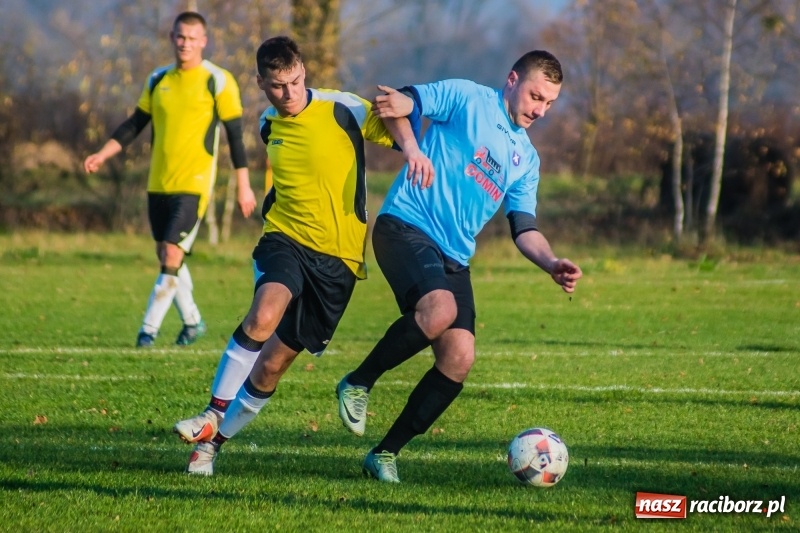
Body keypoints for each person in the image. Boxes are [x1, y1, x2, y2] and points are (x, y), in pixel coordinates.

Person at [172, 36, 433, 475]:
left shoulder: (342, 108)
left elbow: (397, 119)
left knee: (272, 367)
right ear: (261, 83)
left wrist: (411, 148)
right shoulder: (266, 124)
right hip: (285, 240)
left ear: (304, 72)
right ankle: (212, 413)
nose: (288, 93)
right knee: (264, 312)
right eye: (276, 86)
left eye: (294, 81)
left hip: (340, 263)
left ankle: (211, 445)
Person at [335, 50, 582, 483]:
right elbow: (396, 103)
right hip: (405, 226)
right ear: (511, 79)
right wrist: (412, 150)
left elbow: (524, 227)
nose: (540, 110)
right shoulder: (466, 97)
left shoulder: (527, 158)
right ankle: (358, 382)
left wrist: (551, 262)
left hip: (454, 255)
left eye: (549, 104)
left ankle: (385, 454)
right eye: (536, 96)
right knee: (439, 310)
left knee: (459, 357)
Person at [83, 11, 257, 348]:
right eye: (180, 37)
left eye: (193, 38)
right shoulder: (157, 79)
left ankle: (147, 332)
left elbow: (235, 137)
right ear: (172, 38)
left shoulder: (218, 80)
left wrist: (244, 186)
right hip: (158, 184)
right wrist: (102, 154)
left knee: (173, 254)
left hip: (194, 184)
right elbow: (134, 124)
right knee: (167, 255)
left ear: (204, 41)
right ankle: (192, 322)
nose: (185, 43)